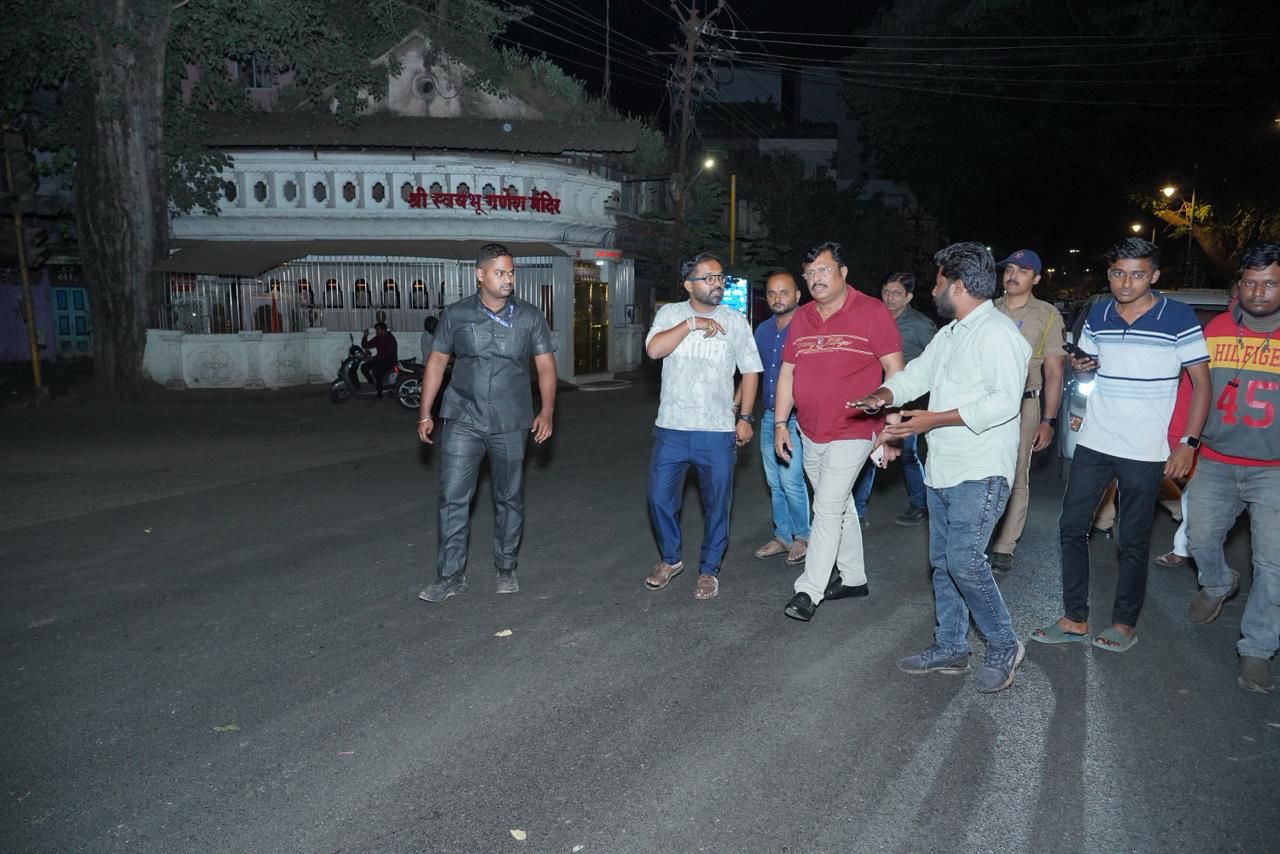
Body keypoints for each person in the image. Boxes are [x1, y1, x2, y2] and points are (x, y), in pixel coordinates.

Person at [852, 242, 1031, 693]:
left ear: (958, 285)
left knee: (964, 561)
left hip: (982, 468)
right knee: (942, 563)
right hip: (944, 467)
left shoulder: (999, 335)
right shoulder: (951, 333)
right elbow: (917, 376)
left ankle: (1004, 643)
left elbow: (1003, 403)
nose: (932, 290)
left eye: (937, 282)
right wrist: (882, 396)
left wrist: (933, 419)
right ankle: (951, 646)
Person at [1031, 237, 1210, 652]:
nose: (1125, 283)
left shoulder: (1178, 316)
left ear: (1154, 276)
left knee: (1132, 539)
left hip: (1146, 448)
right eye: (1117, 273)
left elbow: (1201, 383)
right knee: (1071, 527)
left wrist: (1188, 443)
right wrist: (1082, 364)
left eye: (1137, 274)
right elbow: (1088, 366)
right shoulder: (1098, 312)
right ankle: (1074, 617)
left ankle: (1124, 622)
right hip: (1096, 439)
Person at [416, 243, 558, 603]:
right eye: (500, 272)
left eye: (511, 272)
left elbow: (545, 366)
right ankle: (450, 576)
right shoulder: (456, 314)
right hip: (463, 416)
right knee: (453, 497)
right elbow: (436, 362)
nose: (508, 279)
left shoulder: (529, 316)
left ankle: (506, 567)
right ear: (480, 275)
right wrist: (425, 412)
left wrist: (547, 411)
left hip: (511, 420)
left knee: (508, 497)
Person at [775, 242, 904, 622]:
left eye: (823, 270)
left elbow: (896, 371)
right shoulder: (802, 317)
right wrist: (781, 423)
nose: (816, 279)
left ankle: (808, 590)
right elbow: (788, 373)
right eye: (810, 273)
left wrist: (891, 429)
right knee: (840, 505)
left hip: (855, 428)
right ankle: (853, 577)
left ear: (843, 272)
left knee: (827, 508)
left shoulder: (872, 311)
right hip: (810, 430)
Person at [1184, 241, 1280, 693]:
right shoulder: (1217, 328)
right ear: (1238, 285)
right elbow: (1191, 390)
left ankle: (1257, 649)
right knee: (1199, 538)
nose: (1259, 292)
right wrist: (1182, 443)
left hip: (1274, 471)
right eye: (1251, 283)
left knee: (1274, 565)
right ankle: (1219, 582)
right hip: (1216, 461)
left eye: (1270, 283)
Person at [644, 252, 762, 600]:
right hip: (673, 428)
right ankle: (670, 559)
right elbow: (653, 350)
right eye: (709, 278)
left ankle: (709, 569)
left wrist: (745, 418)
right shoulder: (671, 314)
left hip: (717, 430)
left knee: (717, 503)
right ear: (688, 284)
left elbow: (751, 370)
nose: (717, 284)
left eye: (720, 277)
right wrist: (691, 324)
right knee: (659, 499)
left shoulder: (736, 320)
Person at [988, 249, 1067, 573]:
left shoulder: (1047, 315)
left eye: (1022, 270)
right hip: (985, 401)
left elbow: (1054, 373)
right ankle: (979, 535)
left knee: (1016, 472)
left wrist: (1048, 420)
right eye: (1009, 269)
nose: (1013, 275)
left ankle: (1005, 545)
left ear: (1035, 278)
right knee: (981, 470)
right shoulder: (987, 309)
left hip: (1024, 403)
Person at [852, 271, 937, 527]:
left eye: (896, 293)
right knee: (869, 450)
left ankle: (920, 504)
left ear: (909, 296)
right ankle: (858, 509)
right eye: (886, 292)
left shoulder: (921, 325)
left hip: (907, 401)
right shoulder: (873, 318)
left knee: (907, 454)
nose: (889, 298)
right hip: (875, 398)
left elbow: (936, 363)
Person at [750, 271, 811, 565]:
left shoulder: (810, 327)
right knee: (774, 481)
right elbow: (752, 373)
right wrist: (740, 410)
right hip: (769, 416)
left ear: (797, 295)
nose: (778, 298)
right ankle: (783, 535)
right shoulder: (762, 330)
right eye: (772, 293)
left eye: (784, 292)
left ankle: (803, 537)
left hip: (798, 419)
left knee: (791, 480)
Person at [360, 322, 398, 398]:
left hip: (390, 361)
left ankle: (379, 394)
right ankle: (373, 384)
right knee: (364, 367)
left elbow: (388, 354)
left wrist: (373, 358)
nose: (376, 332)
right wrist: (365, 336)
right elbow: (365, 345)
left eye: (377, 330)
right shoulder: (378, 338)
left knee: (376, 372)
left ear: (383, 330)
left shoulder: (390, 338)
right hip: (380, 359)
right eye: (376, 330)